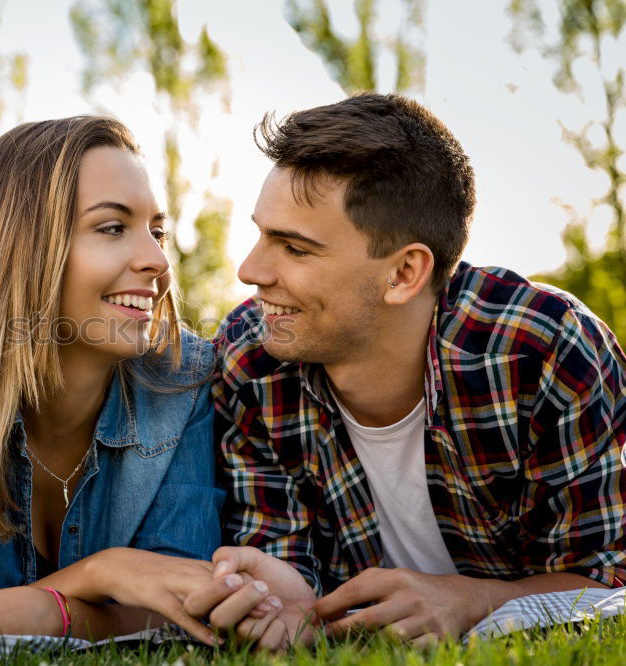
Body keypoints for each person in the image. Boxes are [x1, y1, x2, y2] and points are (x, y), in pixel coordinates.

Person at [190, 93, 626, 649]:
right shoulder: (251, 358)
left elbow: (607, 582)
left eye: (294, 248)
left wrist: (471, 599)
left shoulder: (540, 351)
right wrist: (283, 592)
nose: (250, 270)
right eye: (261, 233)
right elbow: (281, 551)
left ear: (404, 272)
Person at [0, 116, 269, 644]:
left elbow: (189, 608)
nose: (156, 260)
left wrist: (47, 614)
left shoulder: (181, 376)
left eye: (156, 230)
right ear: (20, 250)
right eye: (112, 227)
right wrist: (101, 574)